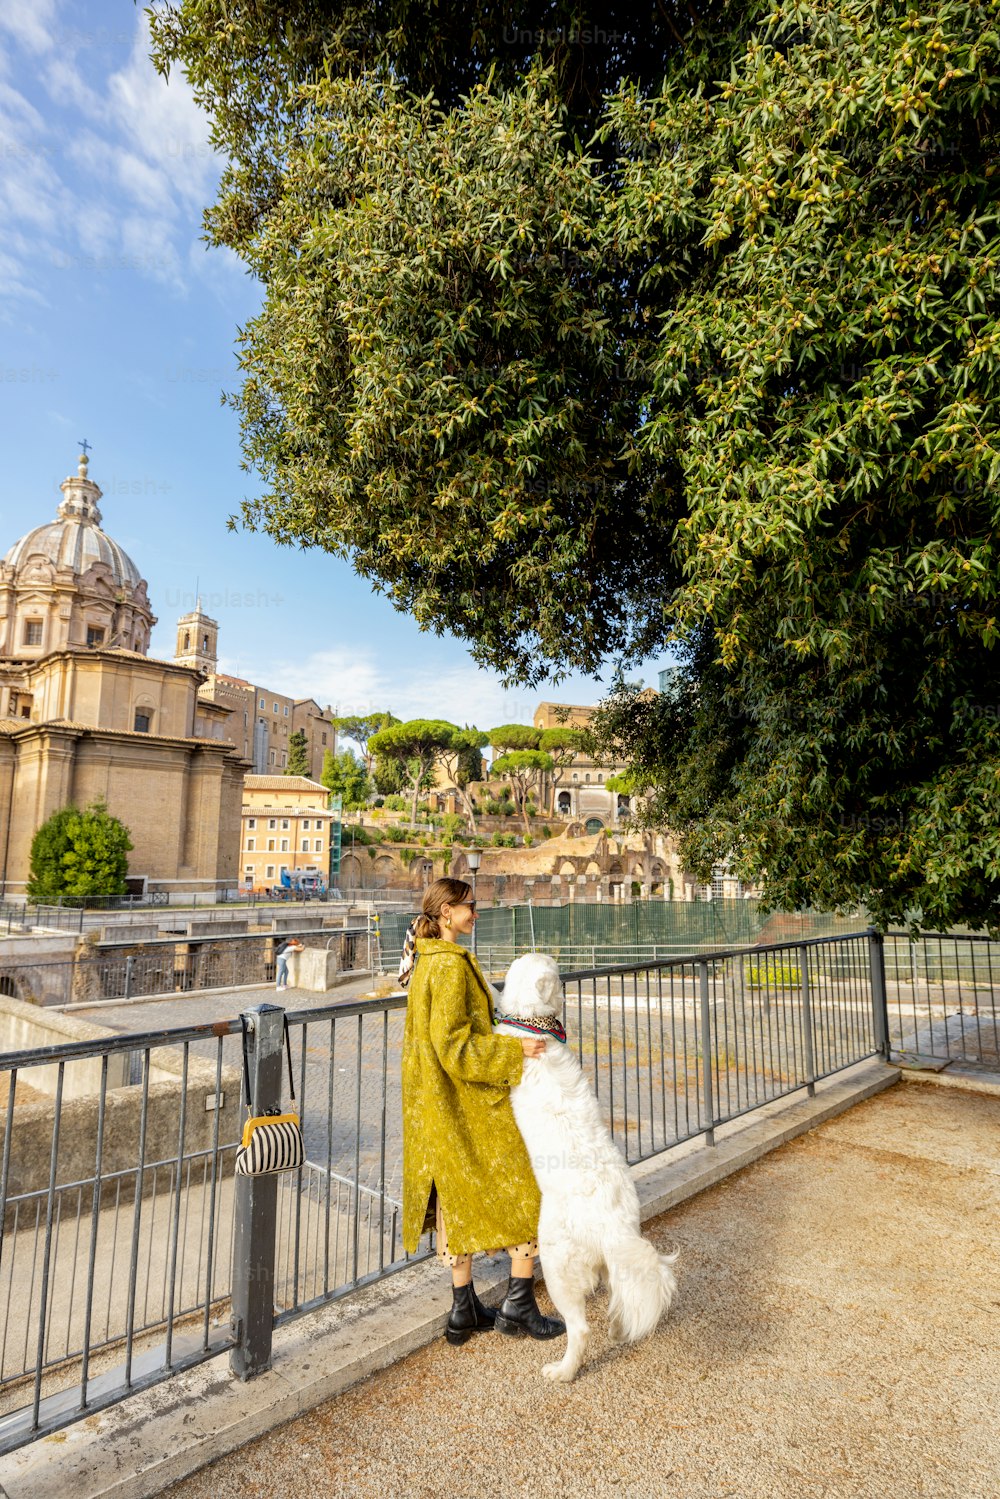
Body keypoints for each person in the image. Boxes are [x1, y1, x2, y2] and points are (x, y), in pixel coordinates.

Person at [400, 877, 565, 1346]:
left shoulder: (426, 963)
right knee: (525, 1189)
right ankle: (519, 1305)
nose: (477, 913)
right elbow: (453, 1045)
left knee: (455, 1198)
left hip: (439, 1104)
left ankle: (463, 1309)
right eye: (471, 906)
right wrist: (517, 1052)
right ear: (447, 912)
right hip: (467, 1102)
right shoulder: (449, 967)